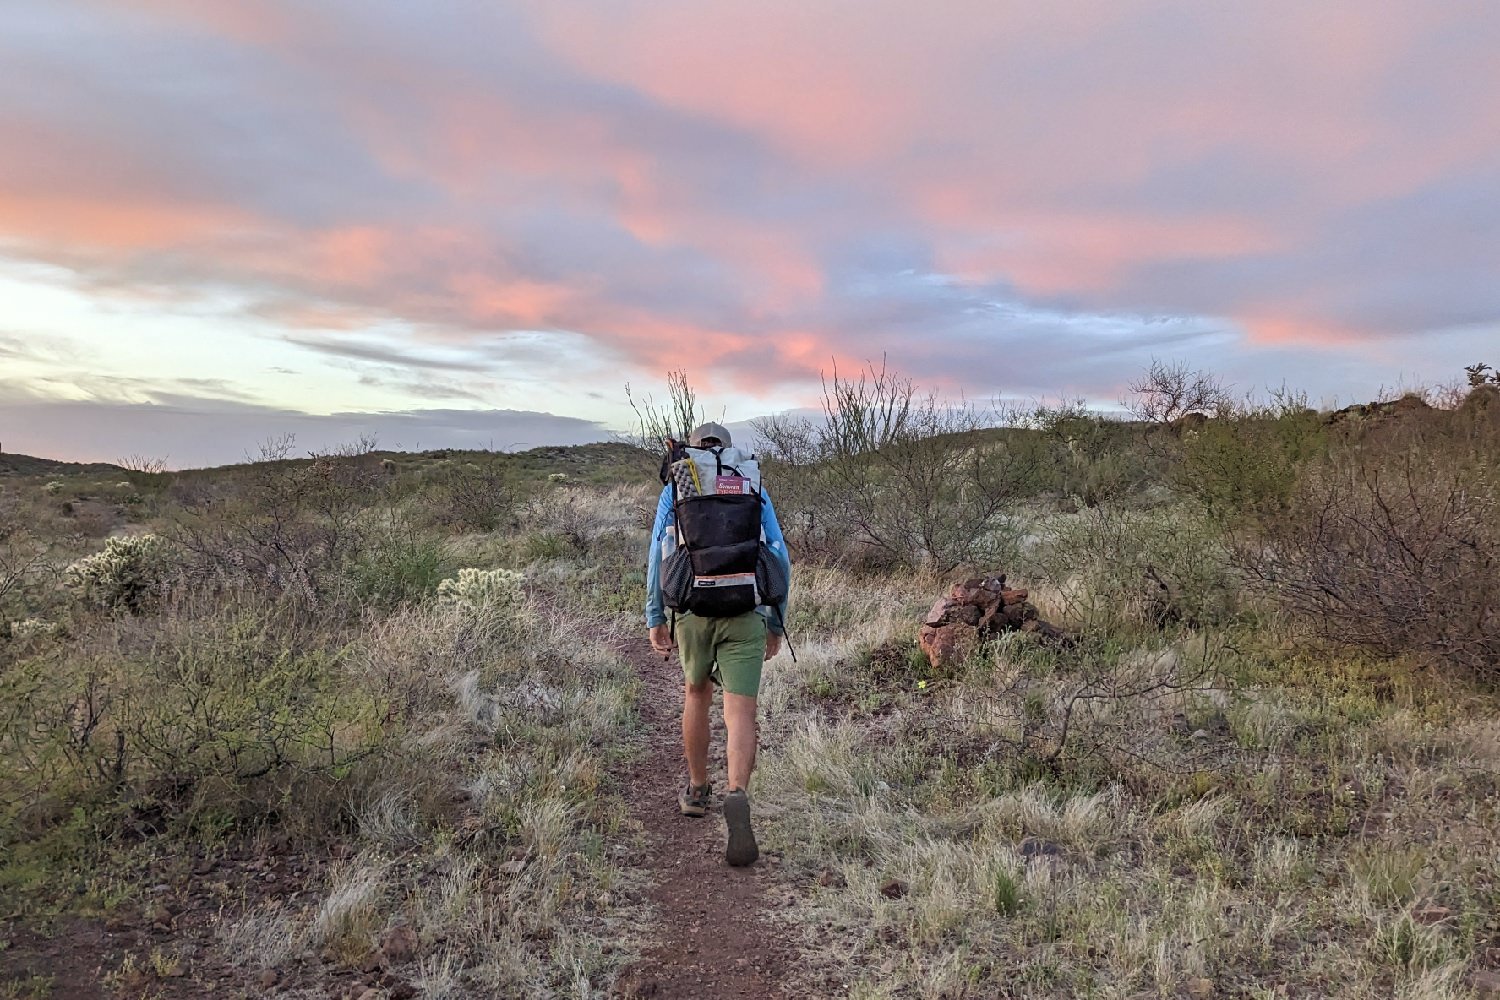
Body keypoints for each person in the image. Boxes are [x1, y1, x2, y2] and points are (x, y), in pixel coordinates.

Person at [645, 421, 790, 867]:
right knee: (741, 709)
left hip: (693, 611)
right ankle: (736, 792)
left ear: (695, 448)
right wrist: (775, 620)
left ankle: (697, 789)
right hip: (745, 610)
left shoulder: (680, 485)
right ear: (727, 450)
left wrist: (656, 616)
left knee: (696, 695)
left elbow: (658, 552)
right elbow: (779, 554)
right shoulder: (750, 484)